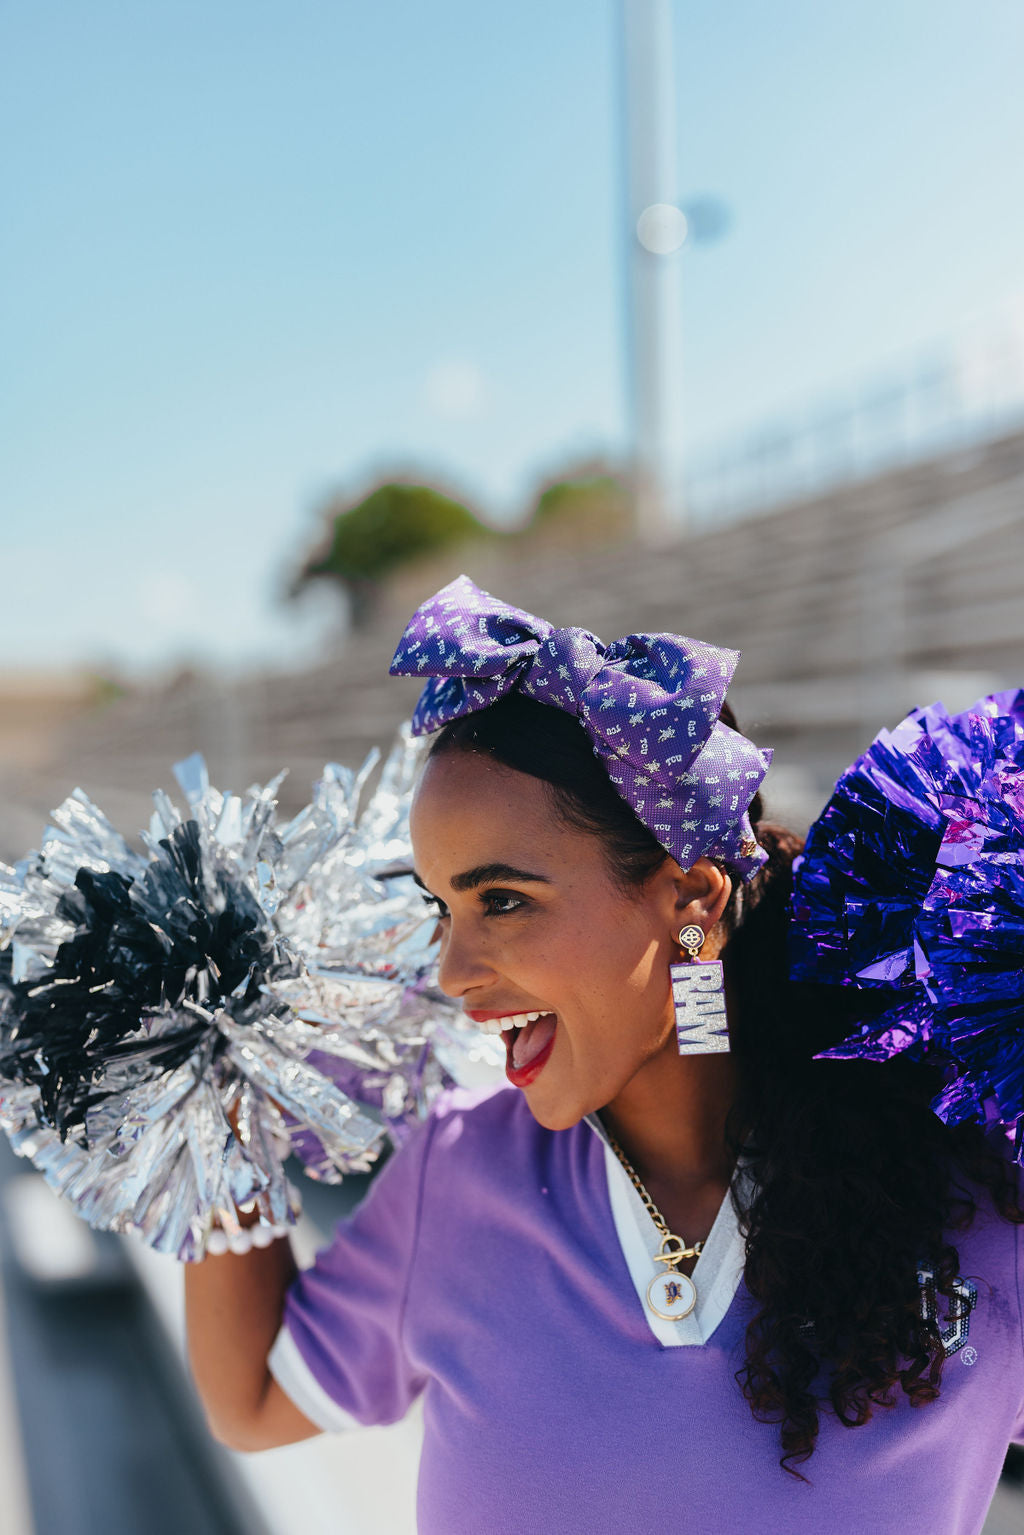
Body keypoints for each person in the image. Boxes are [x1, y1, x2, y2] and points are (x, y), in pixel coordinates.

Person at [185, 576, 1024, 1534]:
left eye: (502, 899)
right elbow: (251, 1396)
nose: (455, 971)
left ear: (690, 899)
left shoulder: (973, 1188)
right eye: (441, 909)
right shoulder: (456, 1178)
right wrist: (206, 1082)